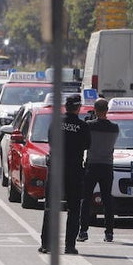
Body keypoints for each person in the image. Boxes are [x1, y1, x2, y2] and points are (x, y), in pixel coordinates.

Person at [39, 94, 90, 254]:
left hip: (56, 170)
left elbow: (51, 141)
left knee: (50, 208)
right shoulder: (82, 126)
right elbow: (87, 145)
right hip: (74, 172)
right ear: (78, 107)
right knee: (74, 210)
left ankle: (46, 244)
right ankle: (70, 245)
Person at [79, 96, 119, 243]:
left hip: (92, 165)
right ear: (107, 110)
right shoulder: (115, 127)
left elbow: (85, 142)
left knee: (86, 199)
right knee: (107, 199)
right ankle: (109, 232)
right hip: (107, 166)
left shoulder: (88, 125)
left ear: (95, 110)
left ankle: (83, 231)